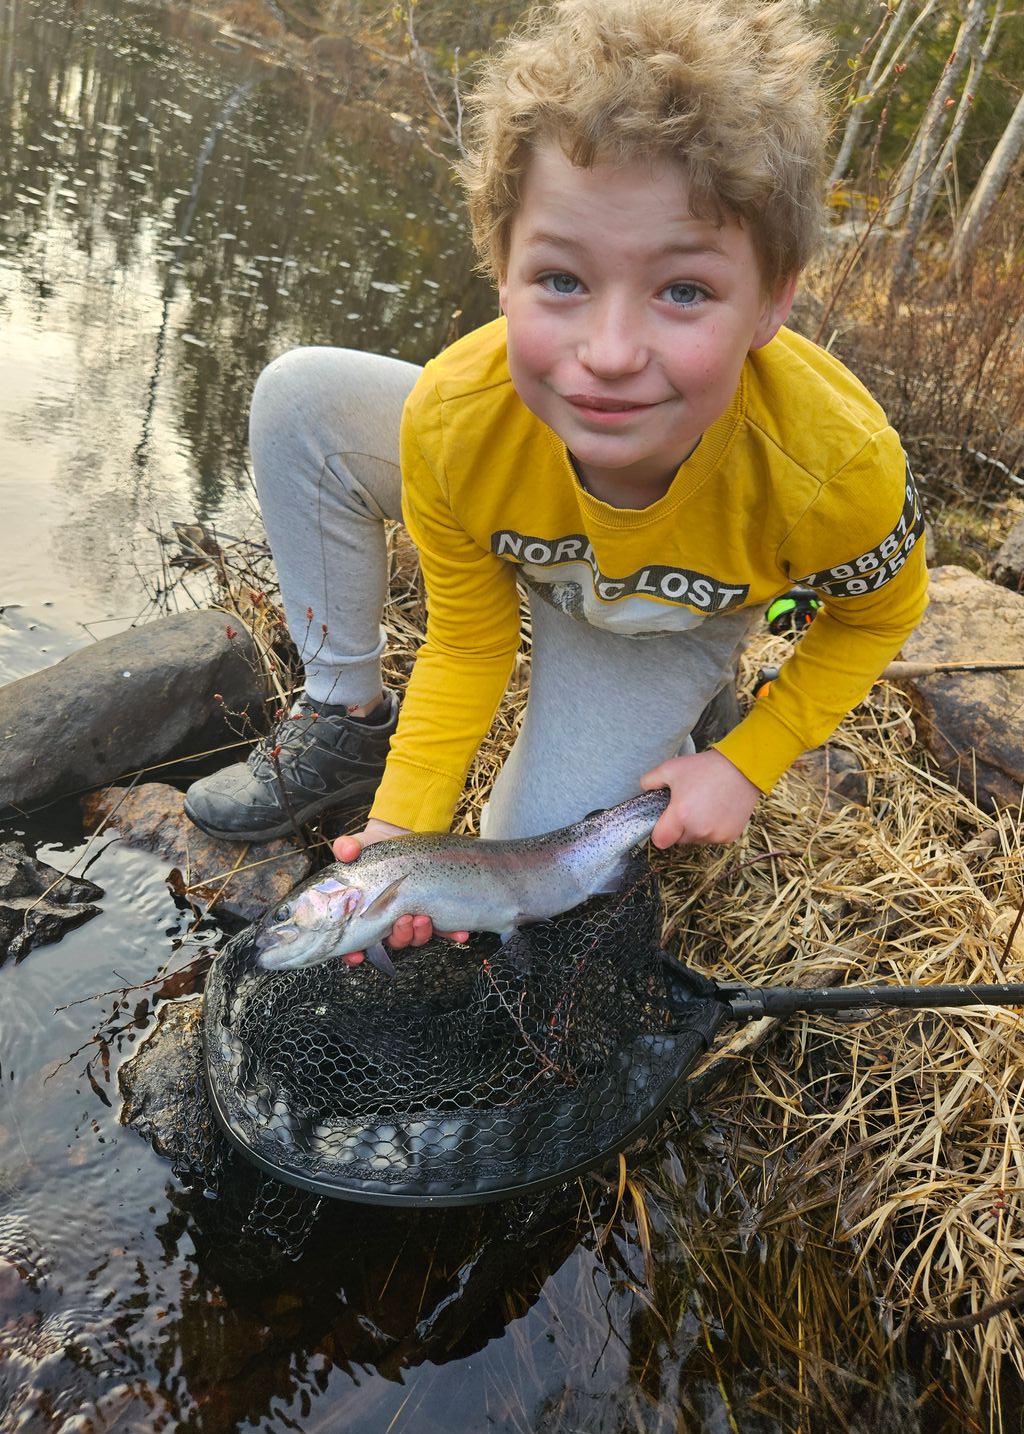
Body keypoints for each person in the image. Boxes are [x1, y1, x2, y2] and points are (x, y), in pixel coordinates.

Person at [184, 0, 927, 962]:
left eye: (685, 290)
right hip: (531, 523)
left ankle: (694, 705)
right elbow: (469, 639)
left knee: (532, 862)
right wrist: (403, 827)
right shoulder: (456, 420)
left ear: (770, 303)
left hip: (664, 618)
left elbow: (877, 616)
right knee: (303, 400)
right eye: (563, 280)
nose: (610, 354)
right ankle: (344, 718)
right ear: (501, 273)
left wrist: (749, 763)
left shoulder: (836, 469)